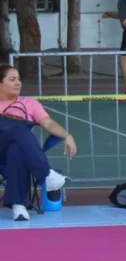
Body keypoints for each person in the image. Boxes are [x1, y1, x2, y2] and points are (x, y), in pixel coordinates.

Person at [0, 64, 73, 221]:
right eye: (12, 79)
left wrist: (67, 135)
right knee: (20, 129)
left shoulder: (29, 103)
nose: (18, 83)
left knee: (16, 149)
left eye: (19, 79)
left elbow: (49, 124)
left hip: (20, 154)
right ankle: (47, 176)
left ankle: (18, 206)